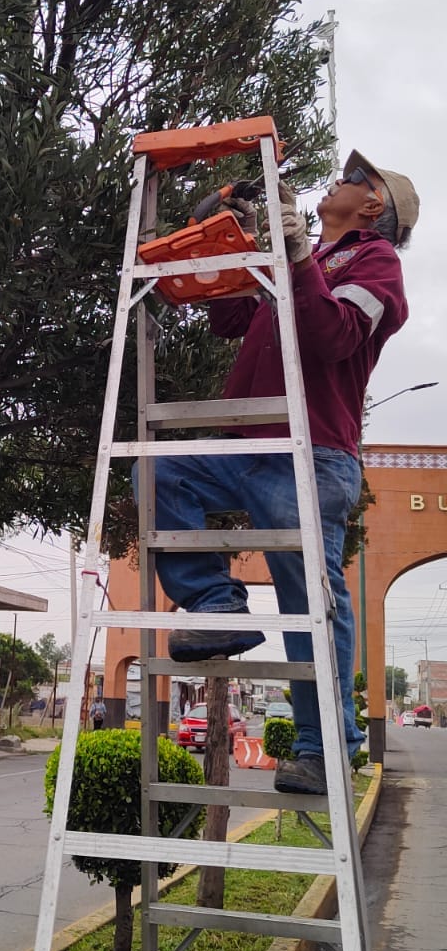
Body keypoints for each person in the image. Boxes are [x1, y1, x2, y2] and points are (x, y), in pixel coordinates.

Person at [146, 150, 420, 795]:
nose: (338, 180)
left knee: (312, 600)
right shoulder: (304, 261)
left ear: (372, 207)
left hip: (312, 453)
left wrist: (293, 254)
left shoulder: (376, 264)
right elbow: (227, 318)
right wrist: (231, 234)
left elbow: (333, 336)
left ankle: (325, 751)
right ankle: (218, 605)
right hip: (248, 448)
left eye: (354, 179)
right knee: (162, 473)